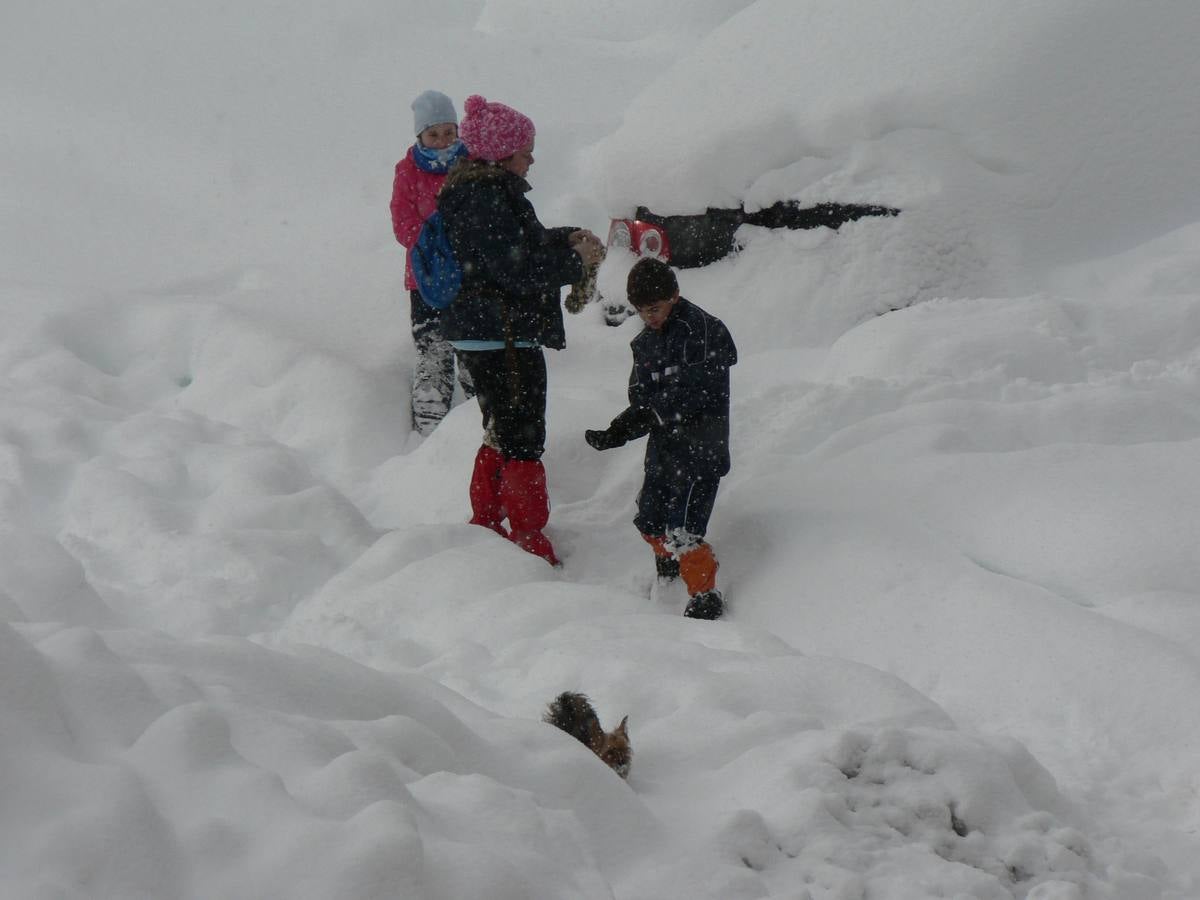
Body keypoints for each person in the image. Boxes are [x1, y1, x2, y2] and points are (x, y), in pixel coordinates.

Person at [437, 94, 605, 566]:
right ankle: (528, 539)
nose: (532, 159)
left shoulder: (480, 190)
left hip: (487, 329)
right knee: (523, 435)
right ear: (502, 152)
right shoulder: (488, 195)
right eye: (526, 150)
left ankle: (488, 520)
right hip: (501, 332)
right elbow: (515, 270)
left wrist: (562, 238)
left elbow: (515, 250)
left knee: (502, 427)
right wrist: (575, 263)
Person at [584, 258, 737, 619]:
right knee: (650, 520)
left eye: (654, 309)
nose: (649, 317)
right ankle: (667, 567)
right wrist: (618, 431)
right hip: (665, 448)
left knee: (683, 527)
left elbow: (699, 392)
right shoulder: (644, 344)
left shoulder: (703, 331)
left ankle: (704, 594)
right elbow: (642, 400)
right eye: (641, 311)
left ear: (674, 295)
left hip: (701, 447)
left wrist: (654, 412)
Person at [390, 89, 474, 437]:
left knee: (471, 338)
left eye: (448, 133)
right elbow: (401, 219)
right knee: (432, 346)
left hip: (469, 274)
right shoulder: (408, 170)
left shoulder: (470, 163)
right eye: (433, 134)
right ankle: (430, 409)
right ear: (420, 136)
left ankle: (476, 402)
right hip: (424, 278)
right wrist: (432, 240)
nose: (442, 141)